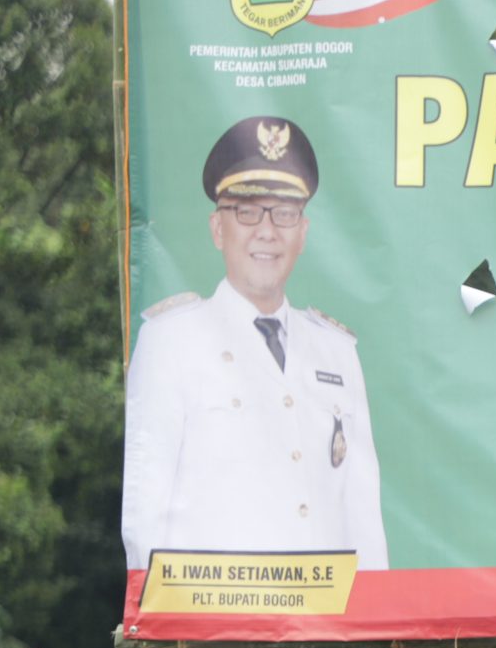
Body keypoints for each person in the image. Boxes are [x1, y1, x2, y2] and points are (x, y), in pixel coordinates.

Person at [122, 116, 386, 574]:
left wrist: (374, 630)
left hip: (322, 634)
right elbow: (146, 512)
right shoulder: (170, 341)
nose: (266, 231)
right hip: (218, 632)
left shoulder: (336, 352)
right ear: (218, 228)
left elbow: (361, 515)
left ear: (303, 232)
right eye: (246, 211)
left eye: (283, 212)